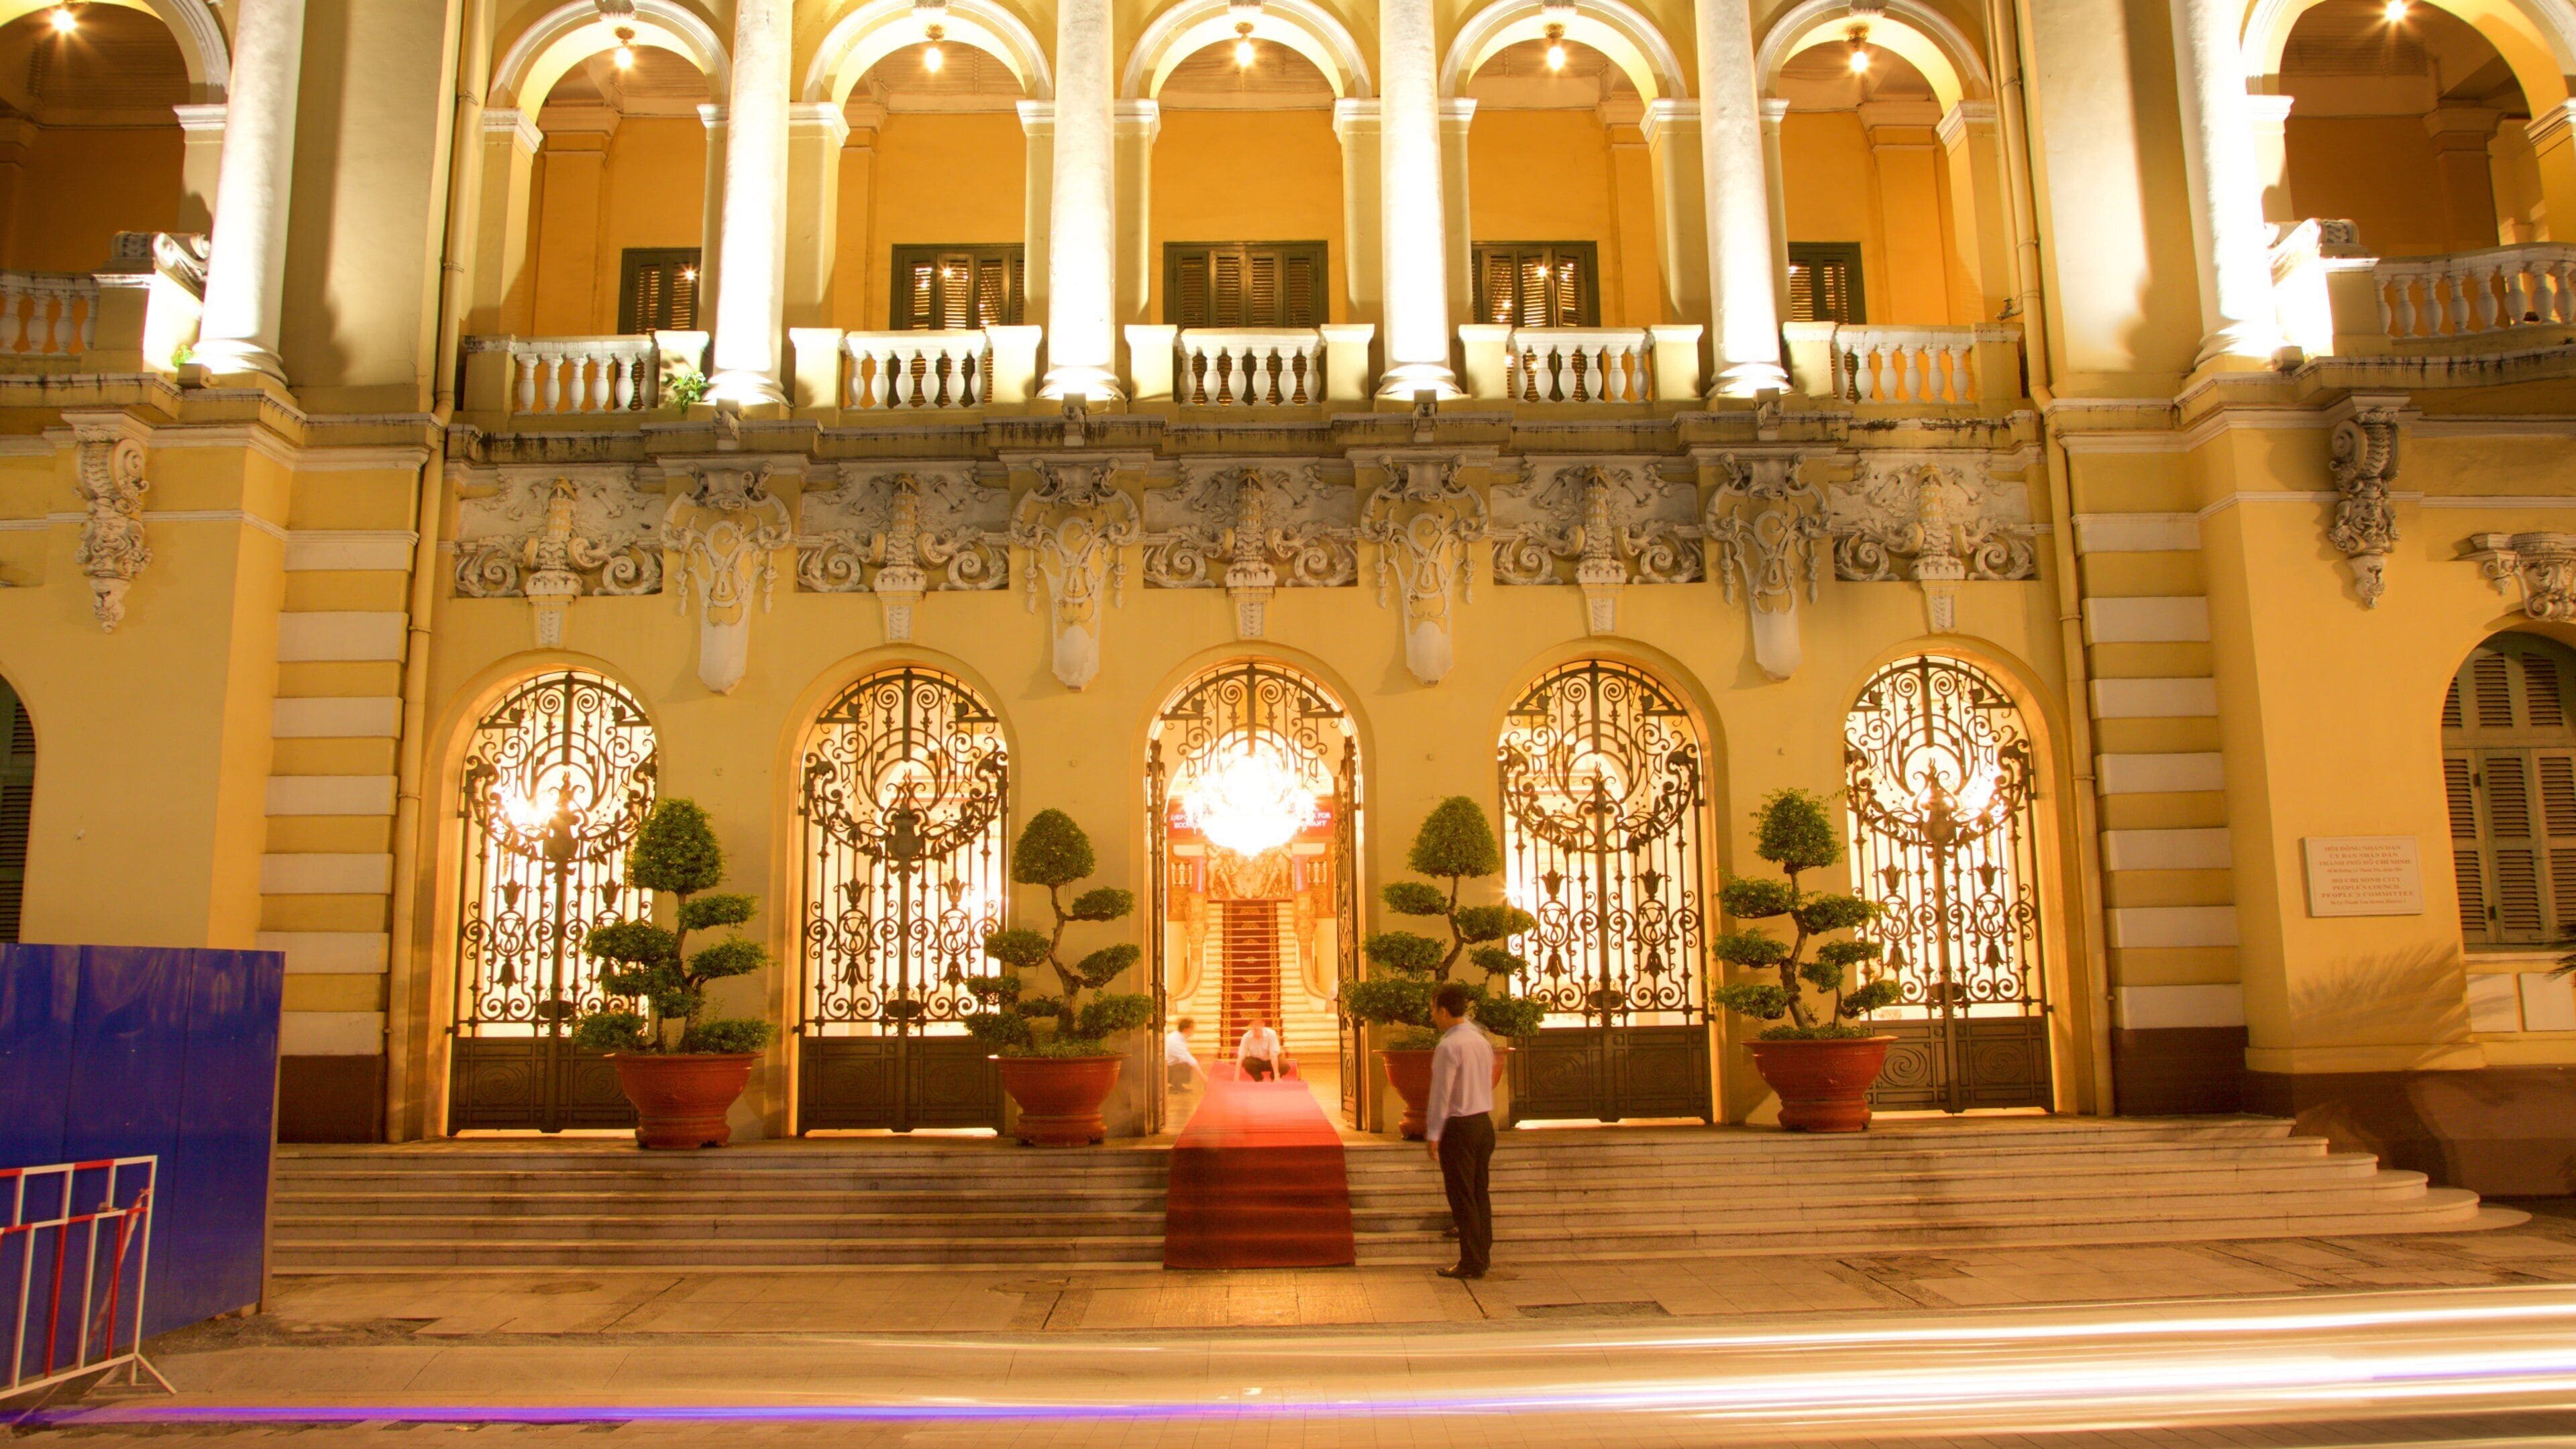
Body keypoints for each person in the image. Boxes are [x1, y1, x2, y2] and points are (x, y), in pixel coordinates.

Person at [1424, 981, 1496, 1280]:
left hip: (1460, 1126)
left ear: (1442, 1010)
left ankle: (1470, 1261)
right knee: (1479, 1193)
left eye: (1433, 1010)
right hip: (1483, 1123)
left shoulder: (1449, 1046)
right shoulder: (1481, 1040)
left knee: (1462, 1196)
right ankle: (1482, 1254)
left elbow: (1441, 1095)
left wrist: (1433, 1134)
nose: (1433, 1017)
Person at [1236, 1017, 1282, 1081]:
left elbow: (1273, 1055)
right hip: (1257, 1062)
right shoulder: (1246, 1037)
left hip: (1269, 1060)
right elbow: (1241, 1057)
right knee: (1247, 1063)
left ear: (1263, 1025)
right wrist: (1236, 1077)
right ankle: (1259, 1079)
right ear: (1250, 1025)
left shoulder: (1271, 1034)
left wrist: (1277, 1075)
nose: (1256, 1027)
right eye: (1253, 1024)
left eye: (1258, 1024)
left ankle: (1274, 1078)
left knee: (1283, 1064)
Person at [1165, 1016, 1201, 1091]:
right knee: (1187, 1064)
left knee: (1189, 1061)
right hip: (1165, 1069)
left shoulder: (1177, 1035)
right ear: (1186, 1029)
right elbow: (1190, 1060)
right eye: (1192, 1028)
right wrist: (1204, 1079)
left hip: (1168, 1065)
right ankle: (1175, 1083)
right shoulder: (1176, 1041)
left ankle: (1176, 1084)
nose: (1193, 1030)